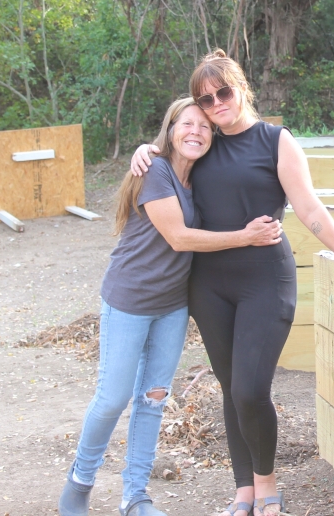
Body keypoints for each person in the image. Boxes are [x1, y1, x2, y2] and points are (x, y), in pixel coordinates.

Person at [130, 50, 334, 516]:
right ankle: (243, 489)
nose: (215, 104)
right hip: (209, 285)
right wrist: (146, 149)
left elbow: (310, 209)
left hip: (265, 281)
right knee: (231, 386)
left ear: (241, 88)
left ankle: (267, 480)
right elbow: (171, 156)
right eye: (205, 100)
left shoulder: (276, 140)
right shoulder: (204, 141)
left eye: (223, 93)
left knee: (250, 389)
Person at [59, 98, 284, 516]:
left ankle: (136, 497)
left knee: (153, 399)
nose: (196, 131)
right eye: (187, 123)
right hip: (129, 300)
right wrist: (246, 236)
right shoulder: (156, 171)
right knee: (112, 398)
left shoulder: (199, 175)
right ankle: (79, 482)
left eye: (204, 125)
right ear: (171, 129)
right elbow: (179, 238)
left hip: (172, 306)